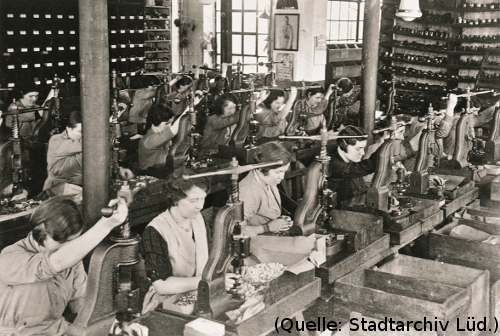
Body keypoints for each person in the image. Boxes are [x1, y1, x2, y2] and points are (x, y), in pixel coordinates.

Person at [0, 195, 128, 336]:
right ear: (41, 232)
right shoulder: (10, 257)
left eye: (73, 241)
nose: (70, 247)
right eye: (64, 241)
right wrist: (106, 225)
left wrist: (117, 327)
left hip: (56, 331)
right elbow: (54, 263)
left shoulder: (72, 262)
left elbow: (84, 305)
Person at [140, 168, 236, 314]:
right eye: (193, 200)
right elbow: (162, 285)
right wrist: (209, 281)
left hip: (201, 293)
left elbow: (210, 257)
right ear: (175, 199)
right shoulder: (155, 230)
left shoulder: (197, 218)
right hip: (168, 303)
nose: (200, 206)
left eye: (203, 198)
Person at [43, 110, 133, 196]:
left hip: (80, 186)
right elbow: (85, 144)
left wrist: (118, 169)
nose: (84, 135)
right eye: (81, 132)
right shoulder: (56, 140)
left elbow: (93, 160)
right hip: (57, 188)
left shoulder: (83, 144)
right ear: (69, 129)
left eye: (86, 132)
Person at [328, 125, 409, 207]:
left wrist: (387, 198)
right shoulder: (332, 163)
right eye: (358, 149)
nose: (362, 153)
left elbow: (362, 188)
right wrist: (389, 142)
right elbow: (359, 168)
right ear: (343, 145)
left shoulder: (349, 160)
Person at [238, 142, 293, 237]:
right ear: (261, 168)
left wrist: (280, 221)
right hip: (255, 243)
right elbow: (238, 231)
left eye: (284, 172)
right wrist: (267, 227)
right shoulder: (249, 191)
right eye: (278, 172)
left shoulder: (268, 180)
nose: (282, 177)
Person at [137, 104, 184, 175]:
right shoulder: (148, 141)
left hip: (161, 173)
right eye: (167, 123)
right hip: (150, 177)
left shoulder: (163, 138)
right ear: (155, 122)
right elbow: (174, 130)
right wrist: (191, 106)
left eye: (171, 123)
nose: (169, 126)